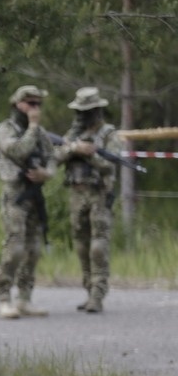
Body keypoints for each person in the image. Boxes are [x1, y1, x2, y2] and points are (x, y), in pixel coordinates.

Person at [54, 87, 123, 314]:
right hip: (77, 193)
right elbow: (56, 156)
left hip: (99, 193)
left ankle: (98, 293)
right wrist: (75, 147)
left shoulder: (109, 134)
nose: (82, 116)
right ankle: (88, 289)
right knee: (82, 245)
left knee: (98, 245)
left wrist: (90, 154)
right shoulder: (73, 134)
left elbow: (110, 164)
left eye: (87, 111)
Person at [0, 85, 57, 319]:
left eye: (38, 104)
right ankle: (4, 298)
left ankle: (24, 298)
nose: (35, 109)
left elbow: (52, 157)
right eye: (30, 103)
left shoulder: (40, 132)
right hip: (15, 195)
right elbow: (18, 150)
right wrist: (32, 127)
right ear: (17, 104)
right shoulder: (6, 129)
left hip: (34, 195)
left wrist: (46, 173)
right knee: (15, 248)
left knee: (34, 249)